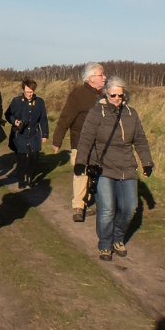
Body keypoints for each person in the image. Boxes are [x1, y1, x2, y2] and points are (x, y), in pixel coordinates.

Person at [74, 76, 154, 261]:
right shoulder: (96, 113)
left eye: (120, 95)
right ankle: (105, 243)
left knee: (130, 207)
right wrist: (81, 162)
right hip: (104, 167)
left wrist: (147, 162)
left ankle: (118, 238)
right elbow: (86, 138)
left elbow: (140, 140)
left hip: (127, 167)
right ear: (106, 94)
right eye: (113, 95)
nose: (117, 98)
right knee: (108, 208)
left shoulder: (131, 113)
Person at [52, 62, 106, 222]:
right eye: (101, 75)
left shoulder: (106, 95)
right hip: (80, 142)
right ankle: (78, 207)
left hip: (101, 144)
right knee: (81, 172)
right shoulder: (77, 94)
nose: (105, 78)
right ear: (91, 78)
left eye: (104, 75)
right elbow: (65, 117)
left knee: (96, 174)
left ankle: (93, 200)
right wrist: (57, 139)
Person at [4, 78, 49, 189]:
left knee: (33, 157)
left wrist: (45, 135)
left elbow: (43, 119)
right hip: (20, 135)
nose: (29, 94)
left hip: (34, 134)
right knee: (22, 158)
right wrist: (14, 121)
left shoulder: (40, 102)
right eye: (27, 92)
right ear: (23, 90)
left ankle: (29, 179)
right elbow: (8, 114)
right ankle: (21, 180)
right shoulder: (16, 101)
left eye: (31, 92)